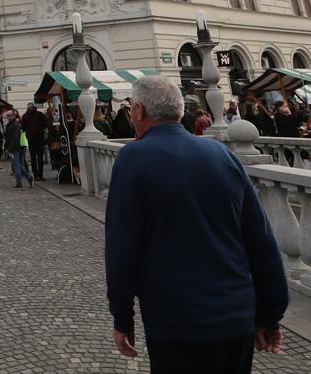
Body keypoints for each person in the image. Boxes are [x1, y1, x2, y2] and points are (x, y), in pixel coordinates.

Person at [106, 76, 288, 373]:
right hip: (235, 317)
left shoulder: (132, 159)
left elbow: (121, 247)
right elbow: (261, 239)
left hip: (175, 321)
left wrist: (122, 316)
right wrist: (270, 314)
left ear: (138, 111)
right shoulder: (221, 154)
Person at [3, 108, 31, 188]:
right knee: (18, 164)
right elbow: (8, 138)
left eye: (8, 115)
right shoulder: (11, 124)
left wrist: (9, 148)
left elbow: (14, 139)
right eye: (6, 116)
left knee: (16, 166)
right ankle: (29, 178)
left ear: (13, 116)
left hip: (15, 148)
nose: (7, 117)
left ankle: (19, 183)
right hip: (13, 147)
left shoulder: (15, 125)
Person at [20, 102, 48, 181]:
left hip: (31, 138)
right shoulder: (39, 114)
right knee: (39, 158)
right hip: (39, 138)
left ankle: (36, 175)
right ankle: (40, 175)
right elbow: (45, 125)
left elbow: (23, 128)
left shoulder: (25, 116)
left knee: (33, 158)